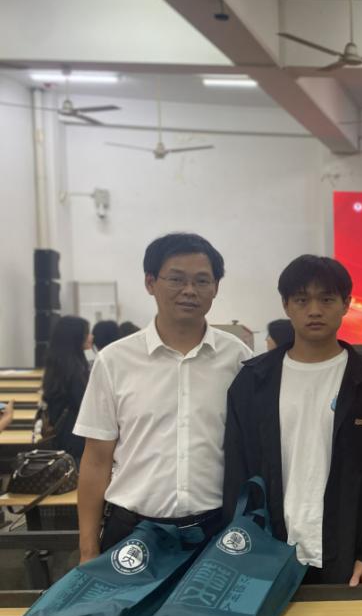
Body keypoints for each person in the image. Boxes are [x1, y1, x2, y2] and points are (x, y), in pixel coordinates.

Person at [74, 233, 252, 562]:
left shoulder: (238, 359)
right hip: (132, 532)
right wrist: (88, 549)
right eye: (176, 279)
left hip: (215, 531)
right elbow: (96, 460)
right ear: (150, 282)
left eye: (202, 280)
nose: (189, 290)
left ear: (215, 287)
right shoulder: (115, 361)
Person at [223, 255, 362, 585]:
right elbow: (237, 474)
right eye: (302, 300)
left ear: (346, 304)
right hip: (268, 547)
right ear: (286, 305)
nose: (314, 310)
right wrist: (240, 549)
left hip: (346, 552)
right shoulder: (253, 381)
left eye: (326, 299)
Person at [40, 316, 92, 460]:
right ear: (75, 337)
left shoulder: (59, 364)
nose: (90, 337)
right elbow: (84, 402)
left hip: (62, 432)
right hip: (74, 435)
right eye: (86, 333)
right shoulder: (74, 370)